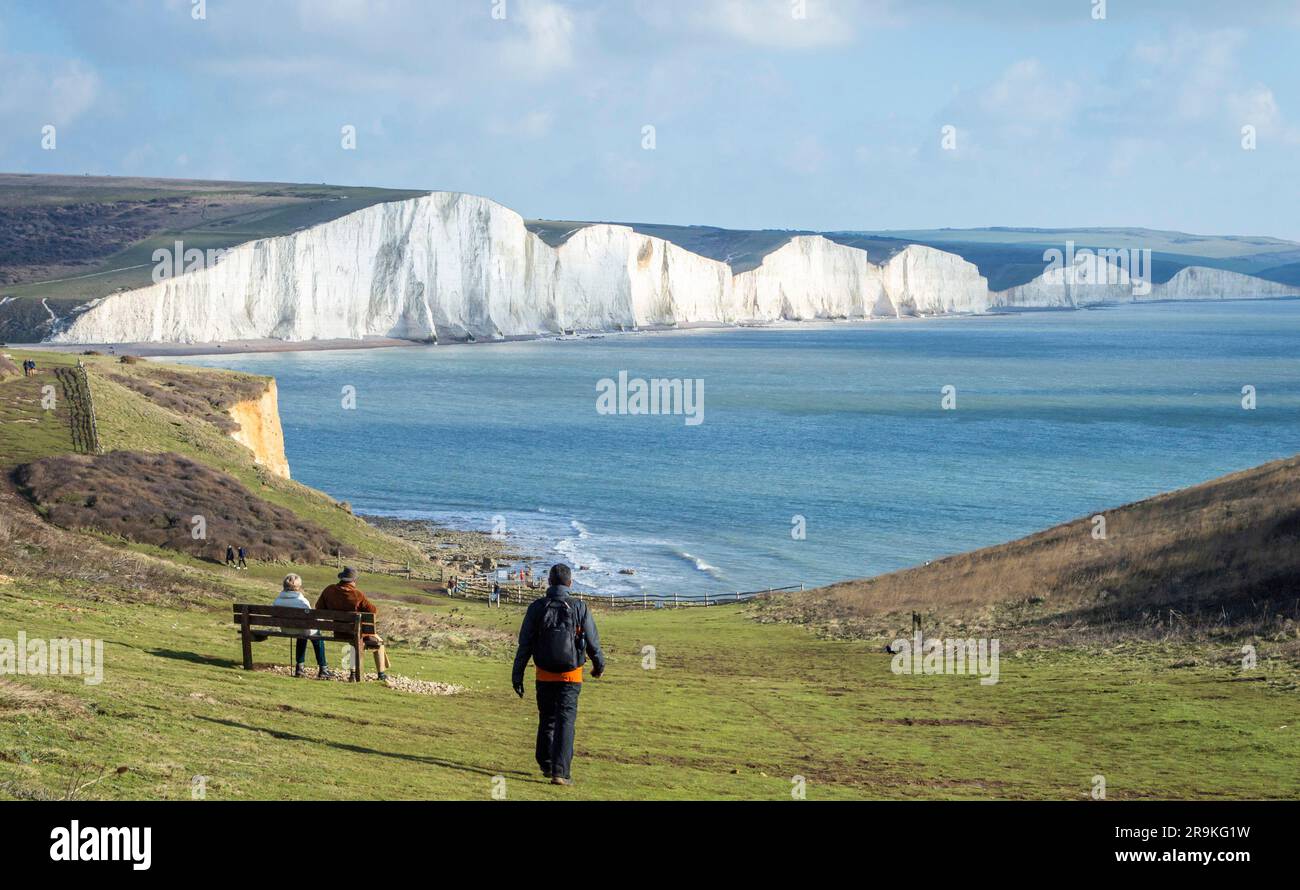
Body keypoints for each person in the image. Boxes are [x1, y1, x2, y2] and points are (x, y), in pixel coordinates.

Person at [511, 564, 605, 786]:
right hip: (571, 675)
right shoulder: (579, 607)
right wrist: (598, 666)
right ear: (570, 583)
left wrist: (517, 675)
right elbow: (592, 642)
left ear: (549, 583)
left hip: (543, 673)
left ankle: (545, 763)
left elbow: (524, 644)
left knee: (547, 719)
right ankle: (560, 772)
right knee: (565, 720)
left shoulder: (536, 607)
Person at [316, 567, 390, 680]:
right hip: (355, 632)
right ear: (353, 580)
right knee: (379, 643)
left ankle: (353, 674)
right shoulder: (357, 594)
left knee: (354, 643)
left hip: (339, 631)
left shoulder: (329, 590)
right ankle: (381, 675)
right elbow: (373, 611)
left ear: (341, 578)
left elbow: (319, 608)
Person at [273, 573, 332, 679]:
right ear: (298, 587)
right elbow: (310, 620)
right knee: (316, 636)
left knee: (302, 632)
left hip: (285, 629)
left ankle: (300, 668)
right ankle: (323, 669)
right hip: (301, 629)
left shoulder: (277, 601)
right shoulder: (302, 601)